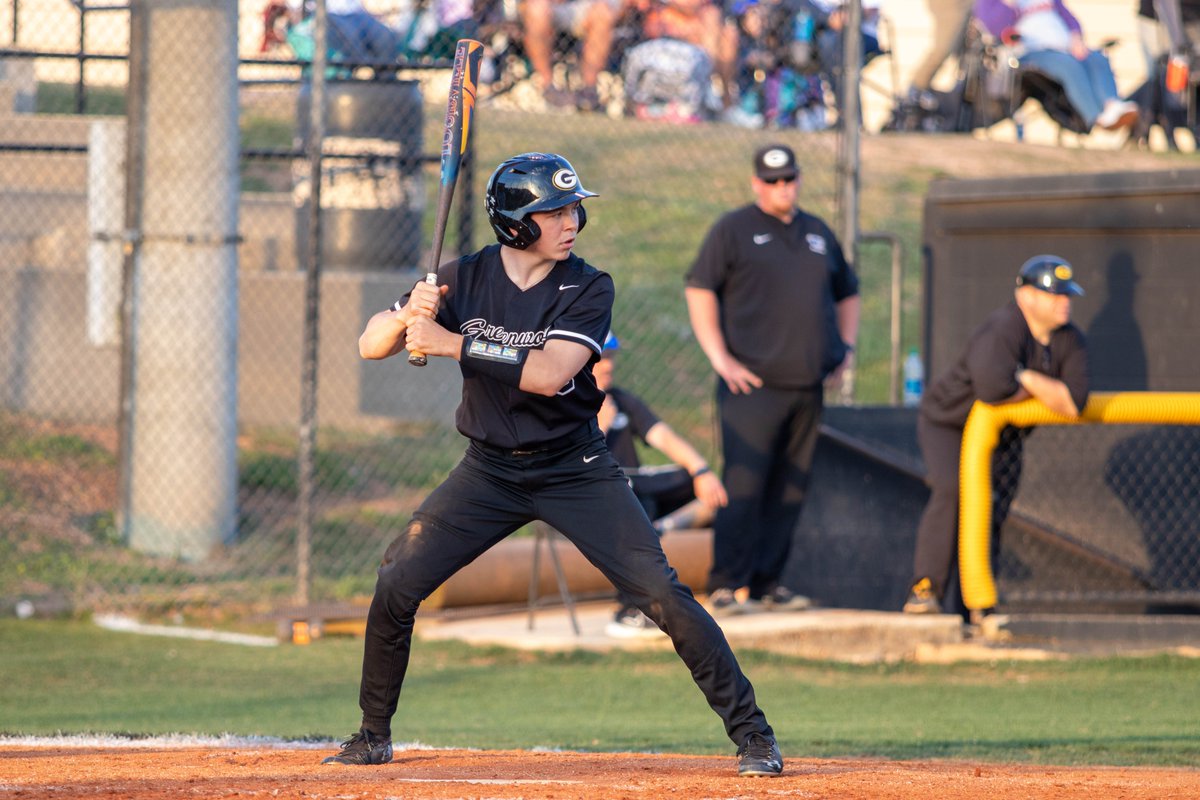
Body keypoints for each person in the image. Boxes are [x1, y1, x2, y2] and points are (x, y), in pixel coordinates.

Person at [324, 152, 783, 778]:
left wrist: (451, 342)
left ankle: (754, 734)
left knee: (660, 593)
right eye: (554, 211)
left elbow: (548, 373)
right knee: (397, 580)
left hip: (575, 468)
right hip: (488, 471)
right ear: (516, 223)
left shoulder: (589, 285)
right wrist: (410, 313)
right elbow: (370, 344)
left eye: (573, 209)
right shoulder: (465, 275)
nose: (572, 221)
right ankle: (372, 734)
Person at [684, 143, 860, 617]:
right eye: (773, 181)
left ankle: (767, 583)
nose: (783, 188)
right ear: (757, 183)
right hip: (751, 388)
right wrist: (720, 358)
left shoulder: (817, 232)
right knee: (744, 485)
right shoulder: (734, 230)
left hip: (807, 385)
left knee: (791, 489)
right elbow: (699, 288)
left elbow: (848, 292)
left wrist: (846, 347)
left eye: (790, 179)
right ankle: (727, 584)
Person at [903, 255, 1090, 618]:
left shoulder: (1070, 338)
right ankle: (925, 589)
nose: (1064, 302)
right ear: (1026, 296)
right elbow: (992, 390)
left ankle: (975, 603)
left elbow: (1074, 402)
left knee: (994, 508)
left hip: (1002, 436)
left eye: (1067, 295)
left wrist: (1027, 378)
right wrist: (1043, 390)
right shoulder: (1004, 327)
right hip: (950, 425)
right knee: (952, 491)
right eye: (1054, 295)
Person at [593, 332, 730, 636]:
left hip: (636, 486)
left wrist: (702, 471)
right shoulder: (565, 402)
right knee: (634, 506)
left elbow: (662, 436)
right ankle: (628, 609)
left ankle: (725, 584)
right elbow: (568, 462)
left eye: (612, 358)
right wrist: (600, 426)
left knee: (702, 486)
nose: (608, 366)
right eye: (601, 358)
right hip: (596, 494)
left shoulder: (621, 400)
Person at [974, 0, 1141, 132]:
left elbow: (1068, 17)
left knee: (1097, 58)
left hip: (1065, 46)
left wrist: (1076, 38)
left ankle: (1111, 105)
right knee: (1068, 65)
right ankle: (1096, 117)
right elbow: (996, 28)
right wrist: (1009, 4)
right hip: (1032, 52)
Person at [519, 0, 620, 110]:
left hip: (585, 5)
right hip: (549, 5)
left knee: (603, 13)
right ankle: (546, 85)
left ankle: (589, 91)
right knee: (537, 10)